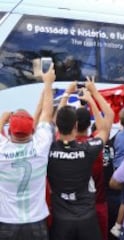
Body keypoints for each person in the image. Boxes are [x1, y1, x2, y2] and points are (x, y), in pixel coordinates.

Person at [47, 80, 114, 240]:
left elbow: (55, 124)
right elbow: (104, 128)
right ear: (75, 125)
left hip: (60, 221)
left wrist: (66, 94)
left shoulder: (49, 148)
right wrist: (92, 98)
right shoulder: (88, 149)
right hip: (86, 219)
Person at [0, 64, 55, 239]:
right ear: (32, 131)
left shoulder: (2, 149)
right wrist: (48, 83)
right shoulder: (41, 146)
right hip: (36, 223)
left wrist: (4, 117)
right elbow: (47, 112)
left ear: (9, 131)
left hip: (7, 223)